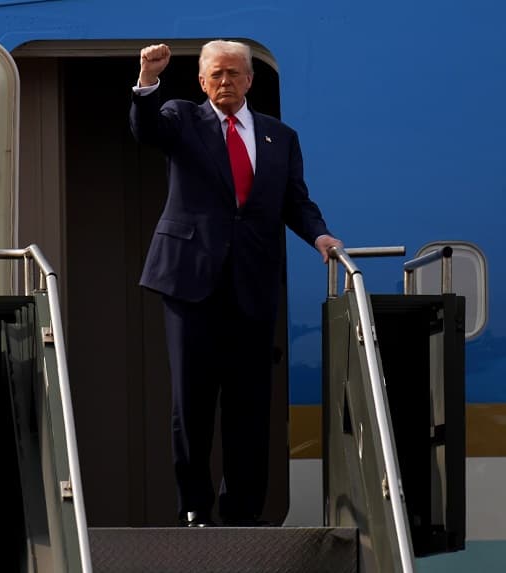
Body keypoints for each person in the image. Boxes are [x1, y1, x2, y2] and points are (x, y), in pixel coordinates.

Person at [130, 40, 342, 527]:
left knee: (250, 402)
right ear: (202, 82)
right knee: (193, 400)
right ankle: (194, 507)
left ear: (250, 80)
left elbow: (296, 201)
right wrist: (146, 81)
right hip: (190, 280)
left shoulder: (279, 137)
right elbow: (145, 131)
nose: (225, 82)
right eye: (216, 75)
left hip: (253, 281)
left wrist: (319, 235)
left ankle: (244, 509)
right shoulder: (182, 118)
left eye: (234, 74)